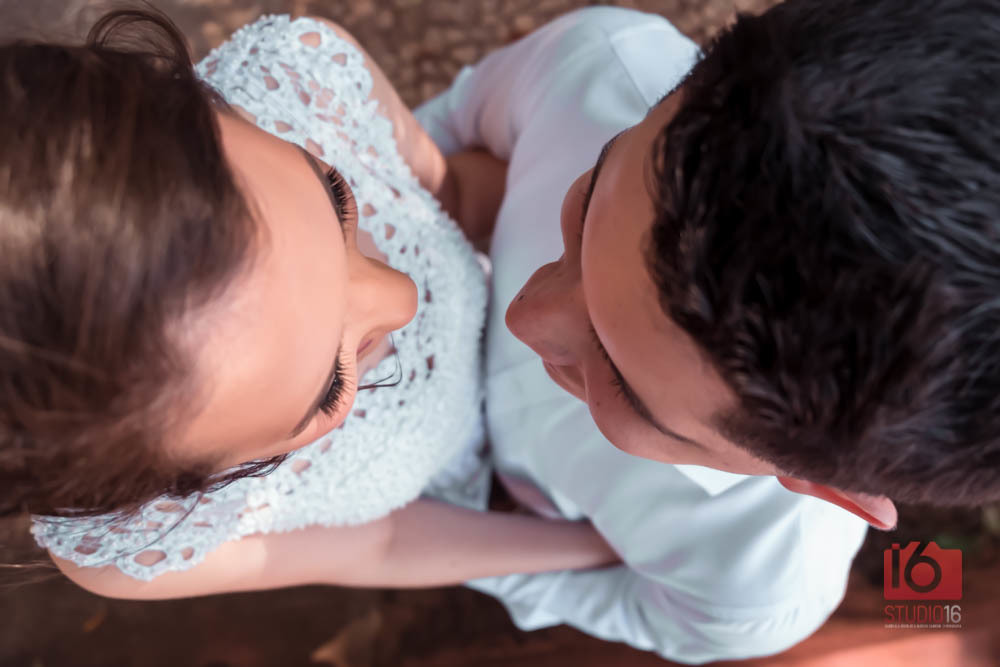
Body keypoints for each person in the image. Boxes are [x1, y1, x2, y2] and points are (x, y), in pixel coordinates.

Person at [415, 0, 1000, 661]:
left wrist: (480, 532)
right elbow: (415, 146)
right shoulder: (595, 65)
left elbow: (602, 600)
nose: (524, 316)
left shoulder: (749, 594)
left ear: (825, 488)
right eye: (585, 207)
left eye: (622, 384)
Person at [3, 9, 617, 595]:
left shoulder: (308, 84)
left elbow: (455, 191)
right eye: (331, 387)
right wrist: (595, 545)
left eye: (337, 199)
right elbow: (381, 544)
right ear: (171, 488)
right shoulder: (136, 548)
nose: (406, 298)